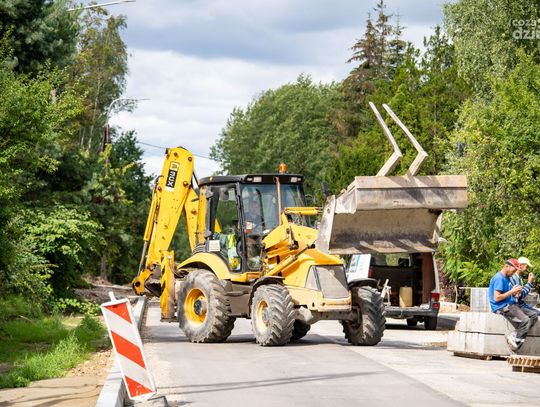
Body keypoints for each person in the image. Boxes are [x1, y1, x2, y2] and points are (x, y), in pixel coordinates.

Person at [489, 258, 538, 351]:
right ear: (507, 266)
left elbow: (509, 294)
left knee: (534, 316)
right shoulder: (499, 278)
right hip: (502, 307)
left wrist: (515, 293)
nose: (514, 273)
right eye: (513, 270)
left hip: (512, 304)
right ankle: (514, 342)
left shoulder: (508, 278)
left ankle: (515, 335)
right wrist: (512, 291)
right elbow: (497, 298)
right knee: (526, 320)